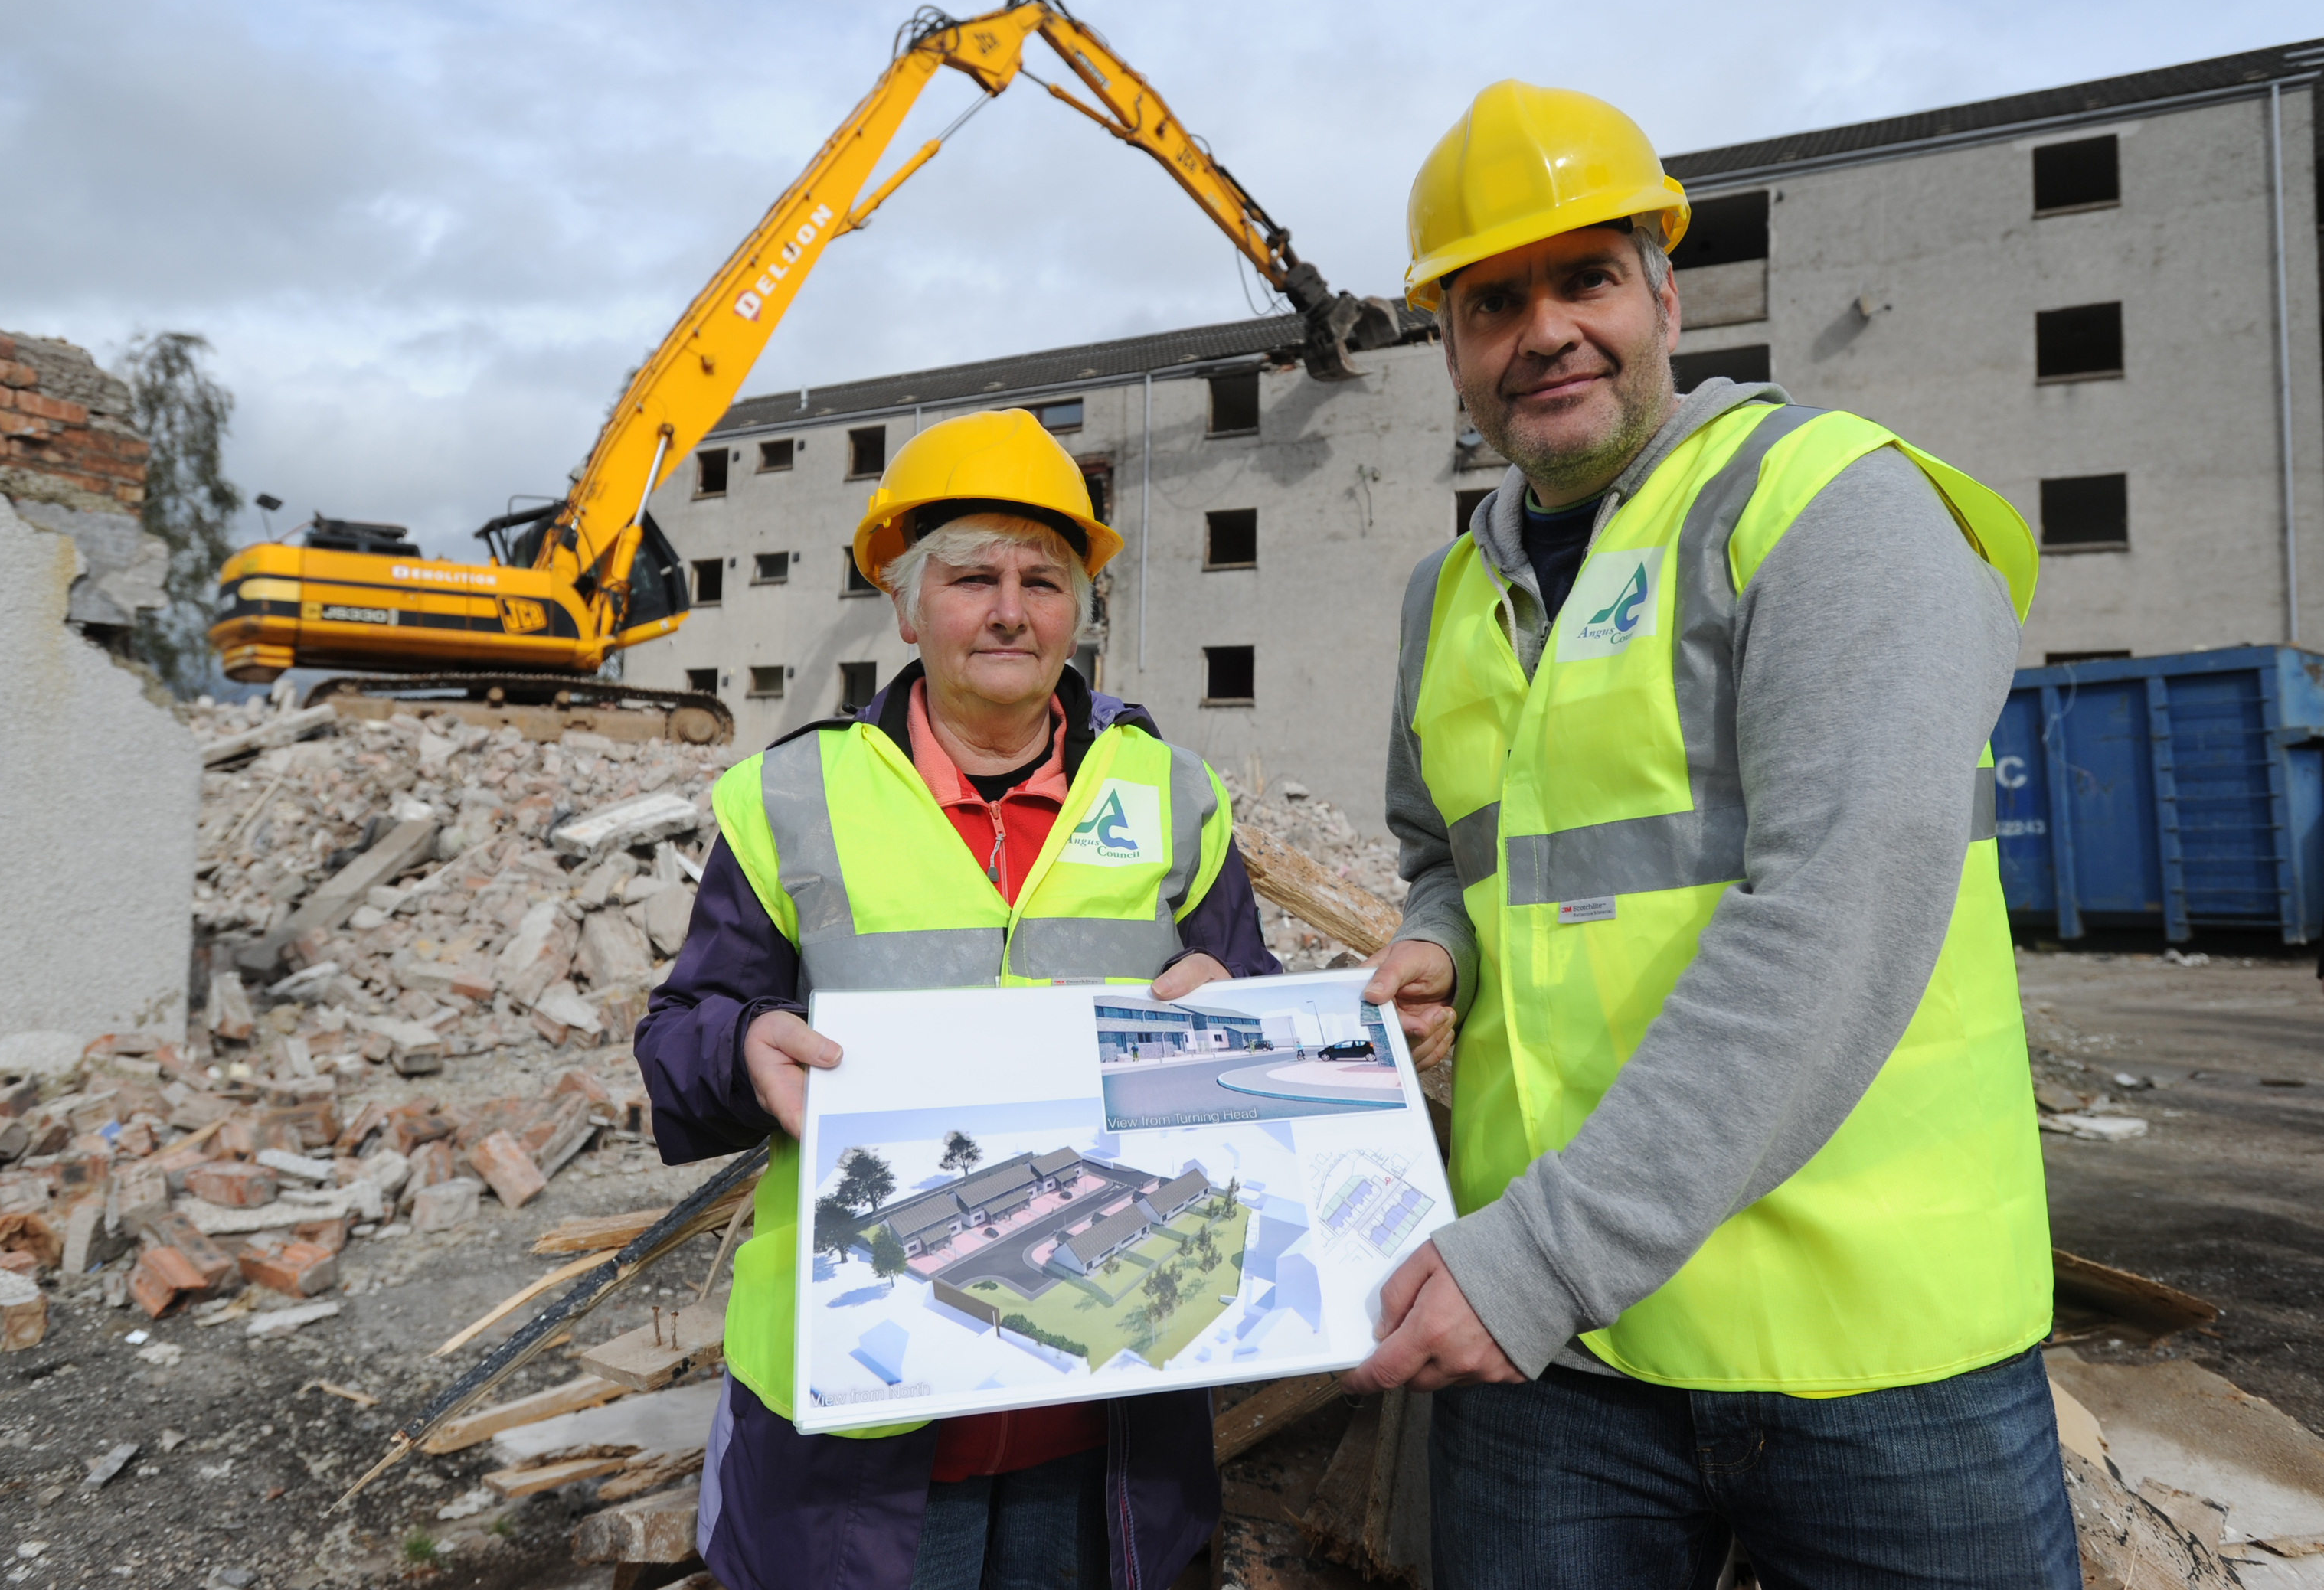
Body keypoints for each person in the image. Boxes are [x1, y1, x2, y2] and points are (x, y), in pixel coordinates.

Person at [1345, 81, 2079, 1586]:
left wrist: (1538, 1260)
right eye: (1493, 301)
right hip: (1566, 1369)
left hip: (1870, 1345)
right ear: (1452, 349)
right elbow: (1453, 853)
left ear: (1666, 296)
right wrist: (1439, 942)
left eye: (1585, 279)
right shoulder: (1447, 596)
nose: (1542, 329)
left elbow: (1840, 906)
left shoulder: (1825, 506)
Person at [633, 407, 1280, 1590]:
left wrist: (1234, 1010)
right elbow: (680, 1035)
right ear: (903, 604)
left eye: (1043, 578)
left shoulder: (1174, 795)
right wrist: (745, 1049)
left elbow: (1258, 1024)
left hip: (1101, 1410)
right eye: (972, 575)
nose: (1009, 609)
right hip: (867, 1410)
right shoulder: (792, 797)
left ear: (1079, 608)